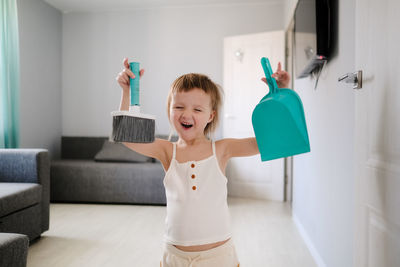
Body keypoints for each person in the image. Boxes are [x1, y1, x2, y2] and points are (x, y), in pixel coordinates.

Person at [116, 58, 290, 267]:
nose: (187, 114)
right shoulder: (166, 150)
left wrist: (279, 93)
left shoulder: (222, 149)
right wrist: (127, 91)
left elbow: (267, 142)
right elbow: (124, 134)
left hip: (218, 257)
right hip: (175, 257)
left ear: (211, 115)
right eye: (179, 106)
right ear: (169, 109)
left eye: (197, 110)